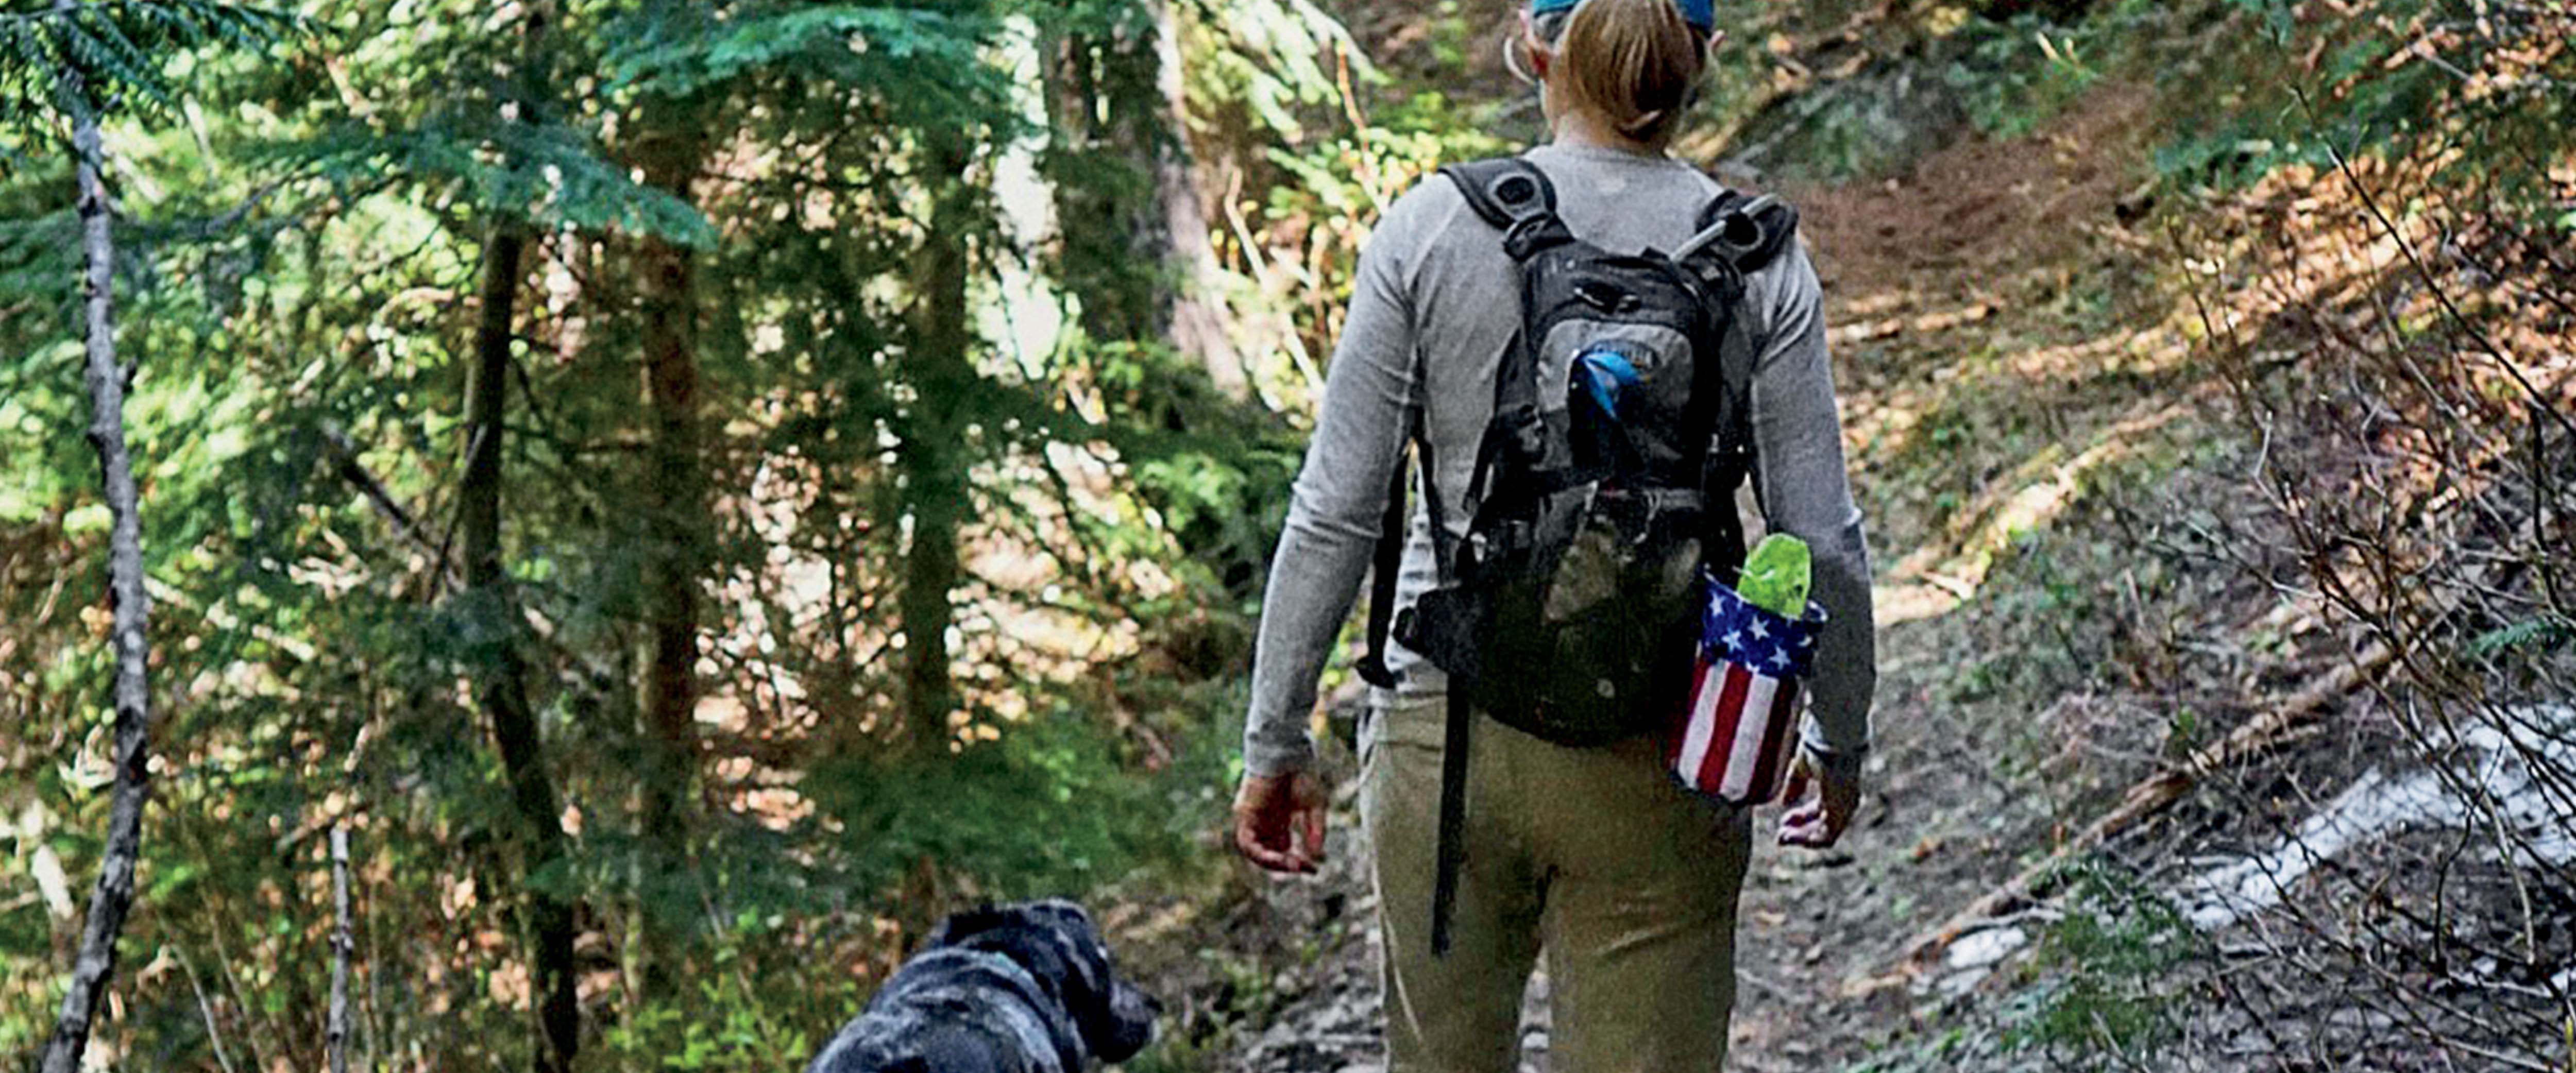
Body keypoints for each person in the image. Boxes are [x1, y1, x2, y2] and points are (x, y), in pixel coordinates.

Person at [1230, 0, 1877, 1068]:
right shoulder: (1758, 257)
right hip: (1667, 733)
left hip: (1447, 730)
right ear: (1704, 56)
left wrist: (1277, 737)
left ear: (1534, 45)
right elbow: (1822, 537)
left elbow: (1333, 509)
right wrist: (1837, 736)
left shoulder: (1432, 227)